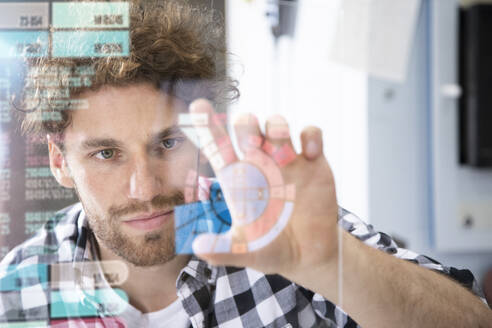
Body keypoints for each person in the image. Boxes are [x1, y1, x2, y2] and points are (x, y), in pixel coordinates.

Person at [0, 1, 490, 327]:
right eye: (106, 154)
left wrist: (331, 264)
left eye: (167, 142)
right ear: (61, 163)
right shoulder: (18, 291)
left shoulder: (276, 227)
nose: (144, 187)